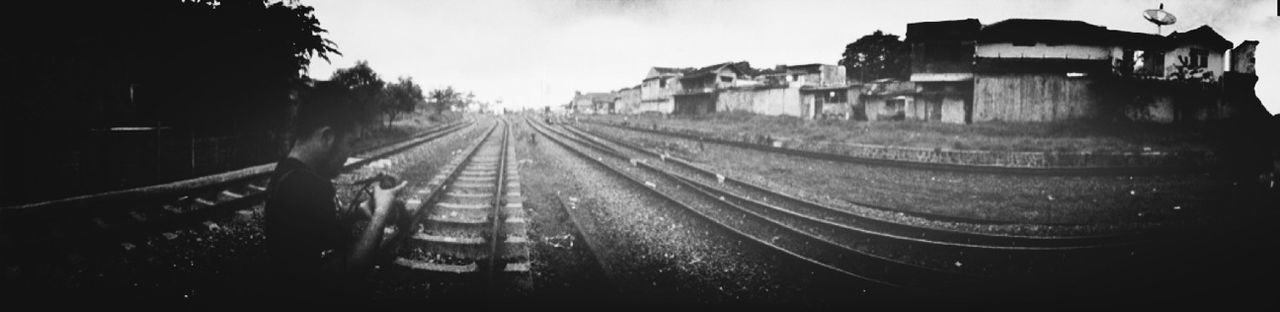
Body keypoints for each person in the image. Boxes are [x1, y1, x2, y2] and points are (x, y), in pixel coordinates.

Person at [261, 81, 407, 307]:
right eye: (350, 142)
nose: (350, 154)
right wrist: (379, 216)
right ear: (327, 136)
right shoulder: (309, 188)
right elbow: (345, 274)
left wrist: (359, 212)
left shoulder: (287, 173)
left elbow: (311, 235)